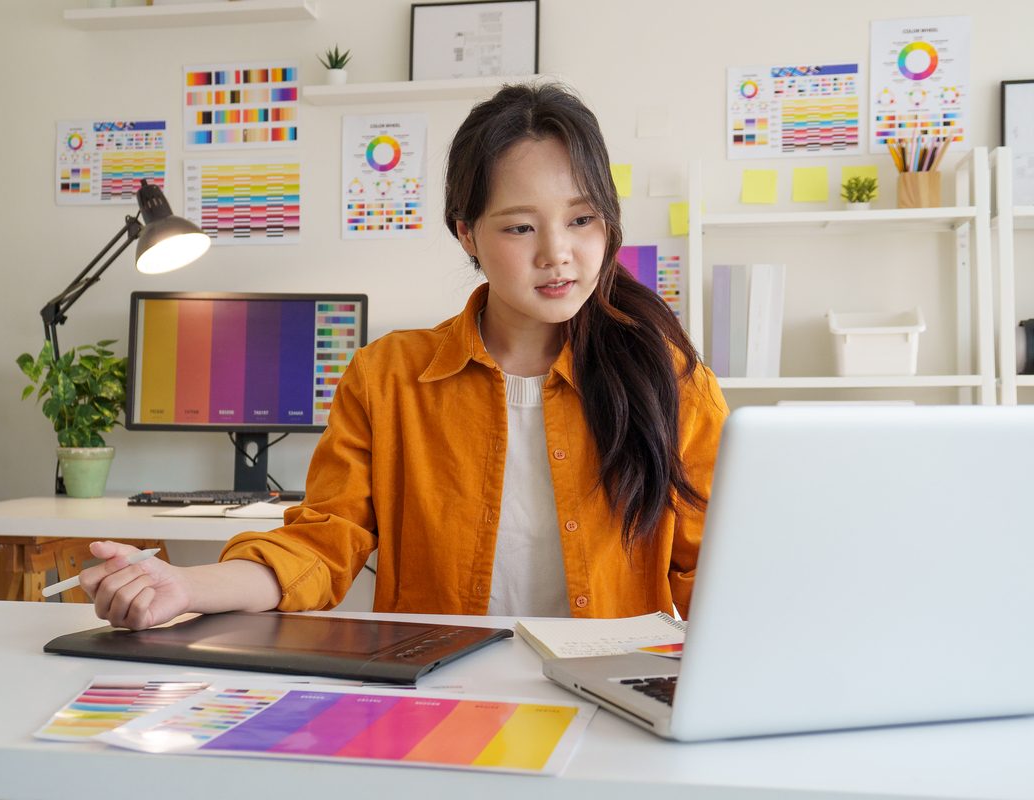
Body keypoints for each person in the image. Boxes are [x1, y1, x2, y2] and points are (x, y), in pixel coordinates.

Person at [80, 83, 728, 630]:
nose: (557, 252)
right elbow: (320, 544)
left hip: (610, 707)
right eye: (520, 227)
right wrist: (186, 588)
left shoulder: (672, 380)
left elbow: (718, 574)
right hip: (442, 696)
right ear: (466, 233)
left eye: (582, 220)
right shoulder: (387, 378)